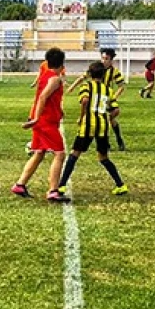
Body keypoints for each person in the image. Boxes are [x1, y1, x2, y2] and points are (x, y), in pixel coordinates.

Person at [50, 60, 129, 203]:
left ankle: (61, 186)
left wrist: (82, 117)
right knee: (103, 157)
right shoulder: (108, 90)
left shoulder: (86, 86)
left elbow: (85, 101)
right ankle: (120, 185)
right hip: (103, 127)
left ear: (90, 74)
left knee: (74, 154)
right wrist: (105, 117)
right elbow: (116, 110)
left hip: (88, 126)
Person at [12, 48, 66, 199]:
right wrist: (36, 118)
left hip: (44, 120)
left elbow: (47, 98)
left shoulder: (45, 75)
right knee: (60, 154)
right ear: (62, 64)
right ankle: (53, 190)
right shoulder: (55, 79)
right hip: (46, 121)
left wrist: (59, 110)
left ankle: (20, 185)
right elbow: (42, 97)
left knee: (39, 152)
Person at [70, 48, 126, 150]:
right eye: (103, 58)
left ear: (111, 60)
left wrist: (114, 98)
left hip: (106, 98)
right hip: (95, 99)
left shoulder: (114, 71)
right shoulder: (96, 68)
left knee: (114, 115)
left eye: (106, 59)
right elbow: (82, 78)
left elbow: (121, 86)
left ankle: (119, 139)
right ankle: (105, 143)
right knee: (98, 119)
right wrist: (72, 87)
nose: (104, 61)